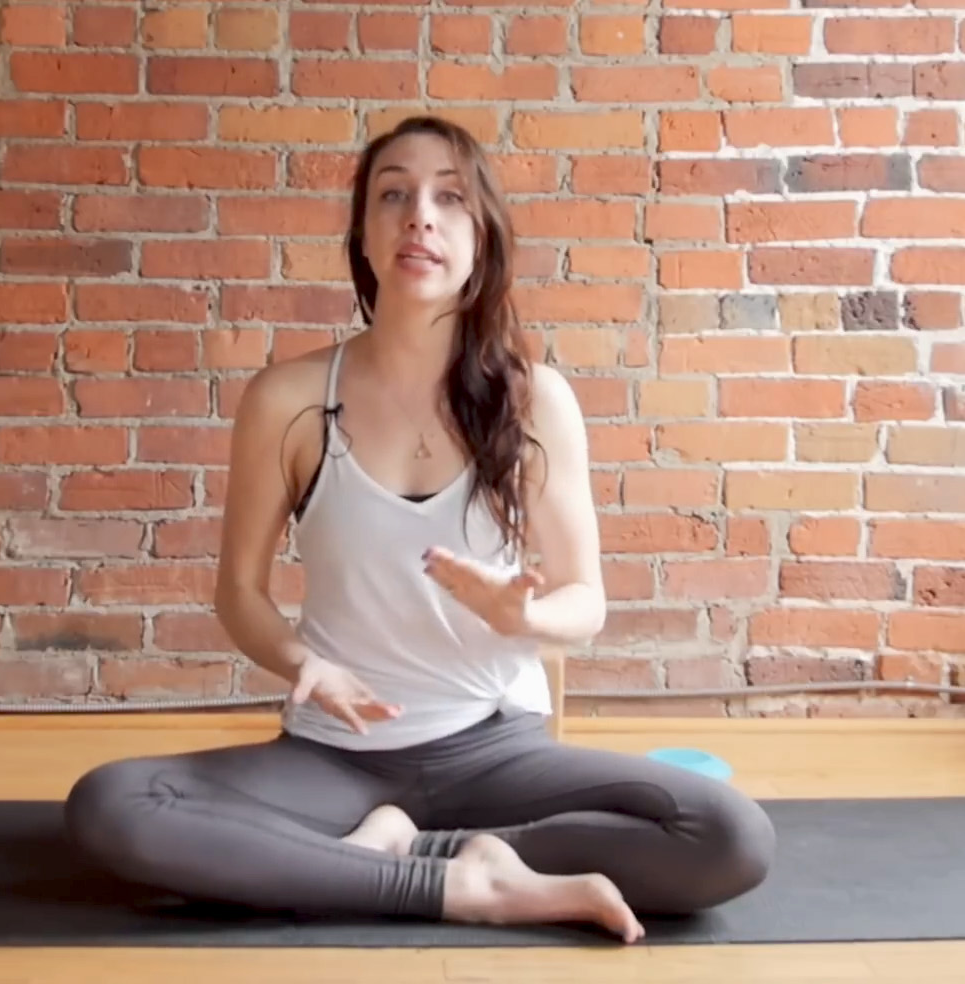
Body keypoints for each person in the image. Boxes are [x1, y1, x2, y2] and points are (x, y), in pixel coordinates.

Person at [64, 115, 774, 943]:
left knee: (729, 836)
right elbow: (239, 594)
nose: (420, 218)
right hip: (334, 755)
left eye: (450, 198)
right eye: (393, 195)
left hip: (497, 753)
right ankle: (462, 883)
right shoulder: (288, 400)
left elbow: (586, 599)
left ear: (482, 237)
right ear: (363, 236)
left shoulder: (534, 400)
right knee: (114, 804)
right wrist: (301, 661)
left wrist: (525, 616)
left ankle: (384, 859)